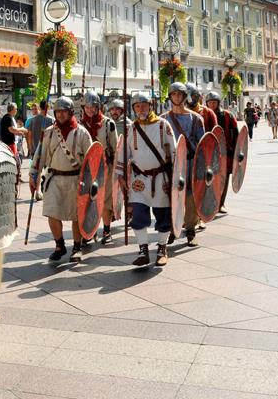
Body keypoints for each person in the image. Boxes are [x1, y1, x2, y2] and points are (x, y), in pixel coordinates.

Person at [115, 94, 176, 266]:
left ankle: (162, 248)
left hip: (160, 179)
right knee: (139, 215)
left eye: (143, 105)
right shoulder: (131, 128)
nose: (140, 109)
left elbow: (174, 152)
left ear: (150, 106)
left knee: (163, 216)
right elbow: (123, 153)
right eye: (137, 106)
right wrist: (120, 176)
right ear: (133, 109)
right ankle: (143, 249)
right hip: (138, 179)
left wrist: (176, 179)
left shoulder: (163, 126)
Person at [29, 96, 91, 263]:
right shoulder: (49, 132)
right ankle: (59, 245)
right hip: (54, 178)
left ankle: (77, 247)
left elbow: (91, 160)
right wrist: (33, 174)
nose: (61, 115)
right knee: (52, 213)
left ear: (71, 112)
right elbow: (39, 155)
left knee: (76, 216)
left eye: (64, 111)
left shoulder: (81, 133)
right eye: (58, 112)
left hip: (75, 180)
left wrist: (90, 182)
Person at [162, 82, 205, 246]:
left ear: (185, 96)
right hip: (171, 165)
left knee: (190, 197)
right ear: (170, 97)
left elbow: (202, 145)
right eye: (174, 94)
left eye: (180, 94)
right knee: (172, 197)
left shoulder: (196, 119)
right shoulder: (163, 119)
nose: (177, 97)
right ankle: (174, 228)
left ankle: (191, 229)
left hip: (190, 161)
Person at [79, 90, 118, 244]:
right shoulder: (80, 124)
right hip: (86, 168)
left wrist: (116, 170)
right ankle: (89, 230)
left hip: (104, 166)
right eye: (87, 107)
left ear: (98, 107)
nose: (90, 110)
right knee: (87, 200)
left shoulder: (108, 124)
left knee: (104, 199)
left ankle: (107, 230)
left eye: (93, 107)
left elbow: (114, 147)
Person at [205, 91, 238, 214]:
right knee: (209, 179)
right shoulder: (204, 115)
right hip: (209, 152)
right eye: (210, 102)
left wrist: (235, 150)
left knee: (224, 179)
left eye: (214, 102)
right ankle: (210, 203)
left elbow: (236, 134)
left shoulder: (228, 116)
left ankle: (221, 203)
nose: (212, 105)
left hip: (226, 153)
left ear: (218, 103)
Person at [0, 103, 27, 180]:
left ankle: (16, 177)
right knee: (15, 161)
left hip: (11, 143)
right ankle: (15, 177)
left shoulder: (10, 117)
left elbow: (12, 130)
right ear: (12, 109)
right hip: (9, 143)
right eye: (16, 109)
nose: (16, 110)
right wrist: (22, 129)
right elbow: (12, 129)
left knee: (16, 161)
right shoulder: (8, 118)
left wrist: (19, 132)